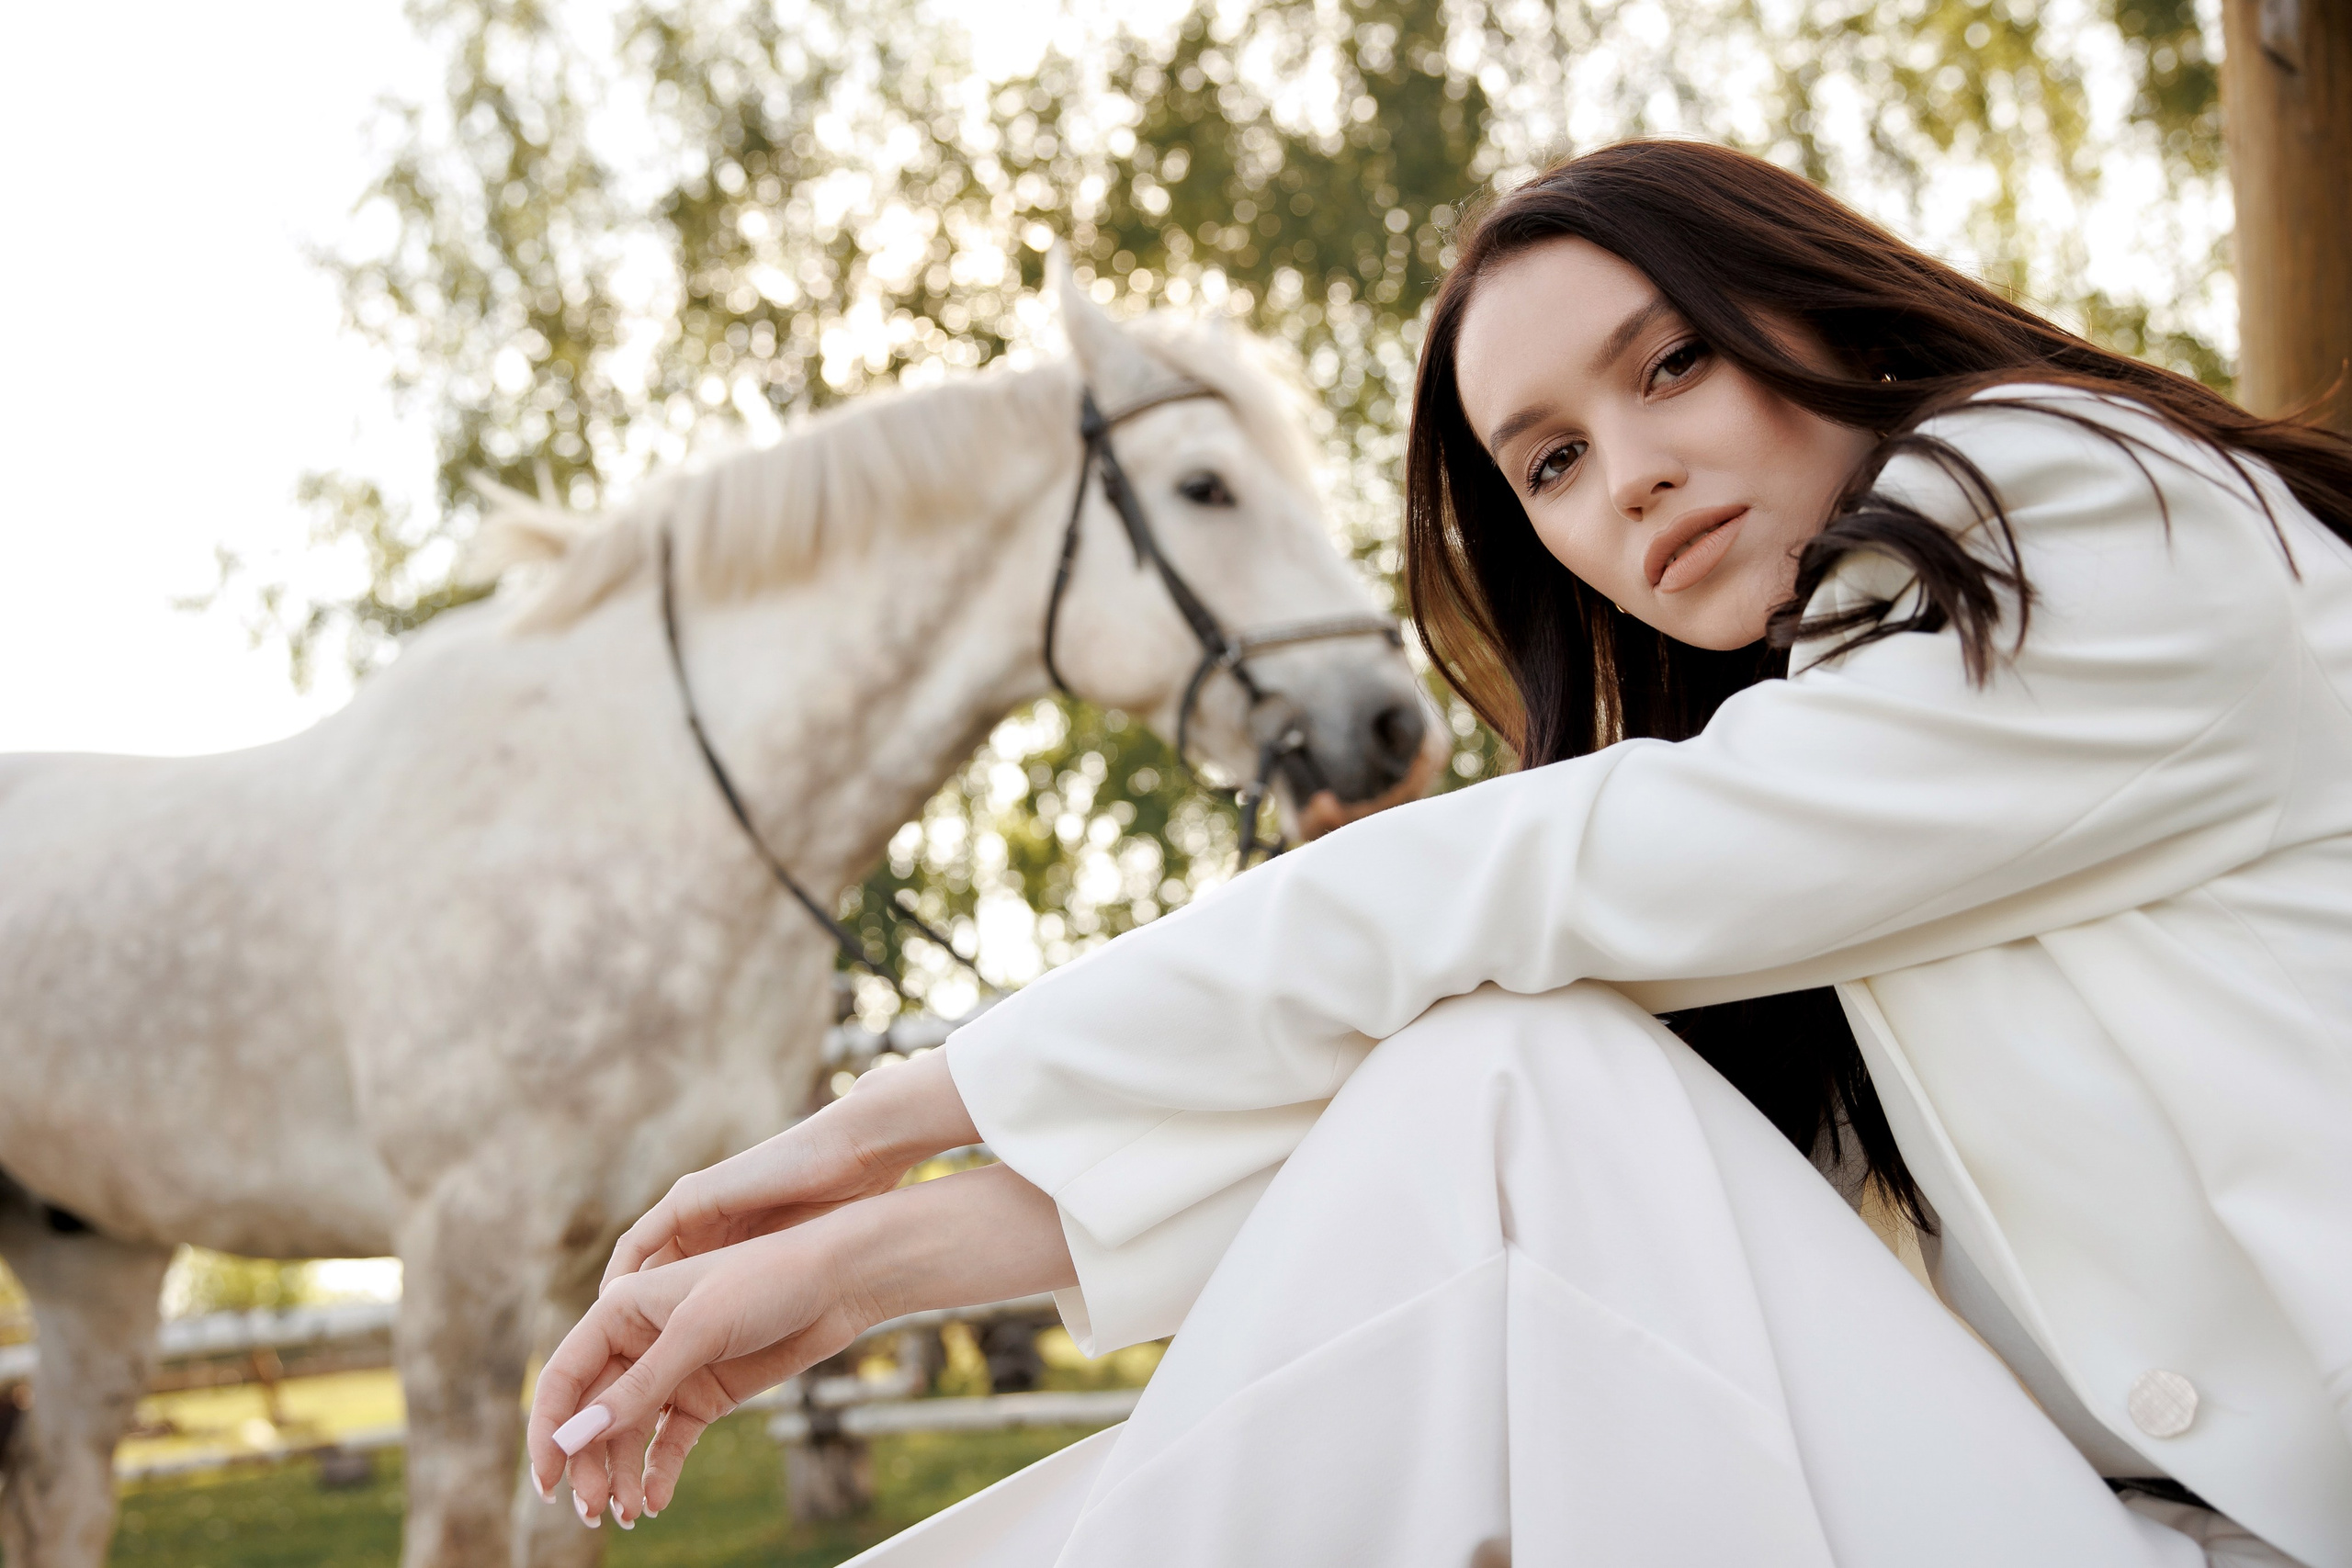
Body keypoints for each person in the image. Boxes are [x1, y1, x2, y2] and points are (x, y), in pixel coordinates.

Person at [522, 141, 2352, 1567]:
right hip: (2124, 1519)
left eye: (1674, 363)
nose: (1625, 472)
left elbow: (1503, 893)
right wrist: (858, 1266)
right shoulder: (1823, 801)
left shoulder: (2077, 511)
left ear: (1825, 314)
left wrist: (893, 1113)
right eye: (1548, 461)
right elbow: (1419, 1163)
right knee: (1503, 1071)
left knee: (1508, 1074)